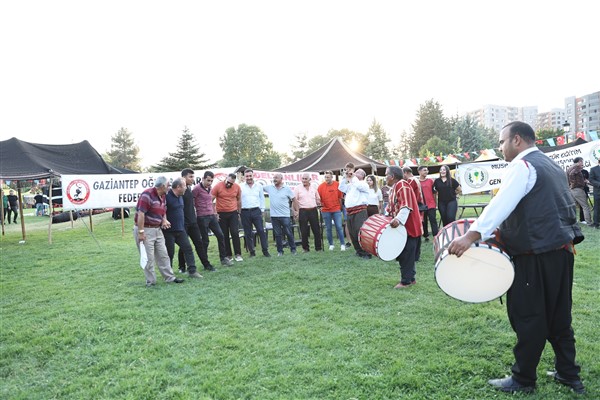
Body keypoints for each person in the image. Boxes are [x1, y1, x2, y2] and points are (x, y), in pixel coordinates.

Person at [448, 121, 585, 394]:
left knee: (529, 316)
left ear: (518, 140)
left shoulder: (523, 166)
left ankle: (523, 379)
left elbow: (500, 205)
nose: (500, 147)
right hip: (561, 252)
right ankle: (569, 374)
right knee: (559, 315)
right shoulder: (551, 165)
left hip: (534, 256)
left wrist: (470, 236)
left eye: (502, 142)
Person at [134, 176, 184, 286]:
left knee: (163, 255)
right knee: (149, 257)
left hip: (157, 229)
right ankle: (151, 281)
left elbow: (163, 211)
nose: (169, 187)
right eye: (168, 185)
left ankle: (169, 278)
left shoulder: (163, 196)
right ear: (162, 186)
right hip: (146, 229)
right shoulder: (147, 195)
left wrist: (164, 219)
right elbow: (141, 214)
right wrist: (141, 232)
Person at [386, 166, 423, 288]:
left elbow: (405, 205)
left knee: (406, 254)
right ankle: (410, 278)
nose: (385, 177)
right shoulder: (395, 187)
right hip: (404, 227)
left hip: (409, 227)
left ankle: (406, 281)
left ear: (392, 176)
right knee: (406, 254)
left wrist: (398, 219)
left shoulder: (402, 185)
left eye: (387, 175)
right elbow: (391, 207)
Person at [164, 178, 203, 279]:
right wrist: (164, 220)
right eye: (184, 186)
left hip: (180, 229)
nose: (186, 187)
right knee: (170, 253)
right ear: (178, 187)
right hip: (168, 231)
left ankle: (192, 271)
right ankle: (169, 274)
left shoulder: (181, 196)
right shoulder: (166, 197)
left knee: (188, 249)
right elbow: (161, 210)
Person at [193, 171, 234, 267]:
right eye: (208, 180)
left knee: (221, 235)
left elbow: (211, 202)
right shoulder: (196, 189)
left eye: (211, 181)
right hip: (202, 217)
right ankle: (205, 262)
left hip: (211, 216)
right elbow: (191, 202)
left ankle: (223, 259)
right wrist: (195, 214)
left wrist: (215, 213)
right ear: (203, 179)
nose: (210, 183)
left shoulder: (210, 188)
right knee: (205, 240)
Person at [178, 169, 215, 273]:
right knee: (184, 245)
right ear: (183, 177)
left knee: (199, 243)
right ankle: (182, 266)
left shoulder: (189, 188)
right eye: (190, 177)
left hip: (193, 221)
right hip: (183, 222)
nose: (192, 179)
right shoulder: (180, 190)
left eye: (193, 177)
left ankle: (206, 264)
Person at [339, 168, 371, 259]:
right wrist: (345, 177)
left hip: (360, 211)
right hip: (350, 211)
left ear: (363, 176)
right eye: (355, 172)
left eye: (358, 173)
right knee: (352, 232)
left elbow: (358, 186)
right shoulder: (351, 185)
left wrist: (353, 177)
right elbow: (341, 188)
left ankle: (366, 252)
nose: (355, 174)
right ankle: (358, 250)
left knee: (359, 231)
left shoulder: (363, 184)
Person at [211, 173, 244, 262]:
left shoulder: (237, 187)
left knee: (235, 233)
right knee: (224, 234)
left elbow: (239, 200)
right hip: (221, 213)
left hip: (233, 213)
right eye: (228, 182)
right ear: (226, 179)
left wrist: (239, 213)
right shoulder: (218, 186)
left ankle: (238, 254)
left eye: (231, 183)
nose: (229, 184)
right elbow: (210, 200)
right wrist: (215, 213)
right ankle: (228, 255)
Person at [263, 173, 297, 256]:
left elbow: (294, 199)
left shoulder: (287, 189)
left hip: (285, 215)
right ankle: (280, 251)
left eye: (276, 178)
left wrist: (295, 210)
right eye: (274, 178)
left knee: (288, 233)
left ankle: (293, 249)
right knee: (278, 235)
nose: (274, 179)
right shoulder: (269, 188)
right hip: (274, 216)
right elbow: (258, 188)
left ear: (281, 179)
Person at [240, 169, 271, 257]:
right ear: (244, 177)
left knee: (261, 231)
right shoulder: (240, 186)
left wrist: (262, 210)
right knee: (248, 232)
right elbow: (238, 199)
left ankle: (265, 251)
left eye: (250, 176)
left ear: (253, 176)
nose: (249, 178)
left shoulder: (259, 186)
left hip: (256, 211)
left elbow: (262, 198)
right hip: (244, 211)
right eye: (247, 176)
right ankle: (252, 252)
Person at [292, 173, 323, 252]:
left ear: (310, 180)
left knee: (316, 229)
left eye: (306, 179)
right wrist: (295, 212)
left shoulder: (314, 187)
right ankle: (305, 248)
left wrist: (318, 202)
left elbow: (318, 198)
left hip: (313, 210)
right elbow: (294, 201)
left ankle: (318, 248)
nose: (304, 180)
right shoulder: (297, 188)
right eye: (303, 179)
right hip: (303, 211)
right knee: (304, 231)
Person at [317, 171, 346, 251]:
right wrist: (320, 205)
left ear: (331, 177)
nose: (327, 179)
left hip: (336, 209)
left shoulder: (337, 184)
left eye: (328, 177)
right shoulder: (321, 187)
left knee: (339, 227)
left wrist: (340, 208)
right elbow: (318, 198)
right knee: (328, 228)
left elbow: (340, 197)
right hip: (325, 210)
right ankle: (331, 244)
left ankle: (342, 244)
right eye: (325, 177)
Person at [403, 167, 423, 262]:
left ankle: (414, 254)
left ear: (406, 173)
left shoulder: (410, 181)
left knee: (414, 231)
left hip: (414, 206)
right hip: (418, 206)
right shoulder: (416, 179)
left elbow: (407, 193)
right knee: (418, 230)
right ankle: (417, 254)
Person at [566, 157, 592, 225]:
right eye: (582, 161)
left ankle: (572, 221)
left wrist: (571, 185)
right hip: (577, 189)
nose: (582, 163)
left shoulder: (569, 168)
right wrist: (573, 184)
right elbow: (572, 174)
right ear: (580, 161)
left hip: (572, 189)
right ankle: (589, 222)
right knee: (585, 206)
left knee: (573, 206)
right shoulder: (576, 167)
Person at [418, 165, 439, 241]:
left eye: (427, 170)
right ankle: (425, 235)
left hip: (431, 204)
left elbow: (434, 193)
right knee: (424, 221)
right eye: (424, 170)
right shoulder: (416, 182)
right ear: (419, 171)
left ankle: (436, 236)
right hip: (421, 205)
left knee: (433, 219)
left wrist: (435, 203)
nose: (426, 172)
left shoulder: (430, 181)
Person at [588, 158, 600, 228]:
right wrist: (599, 184)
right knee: (597, 208)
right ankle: (596, 223)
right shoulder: (593, 169)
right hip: (598, 192)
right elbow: (591, 179)